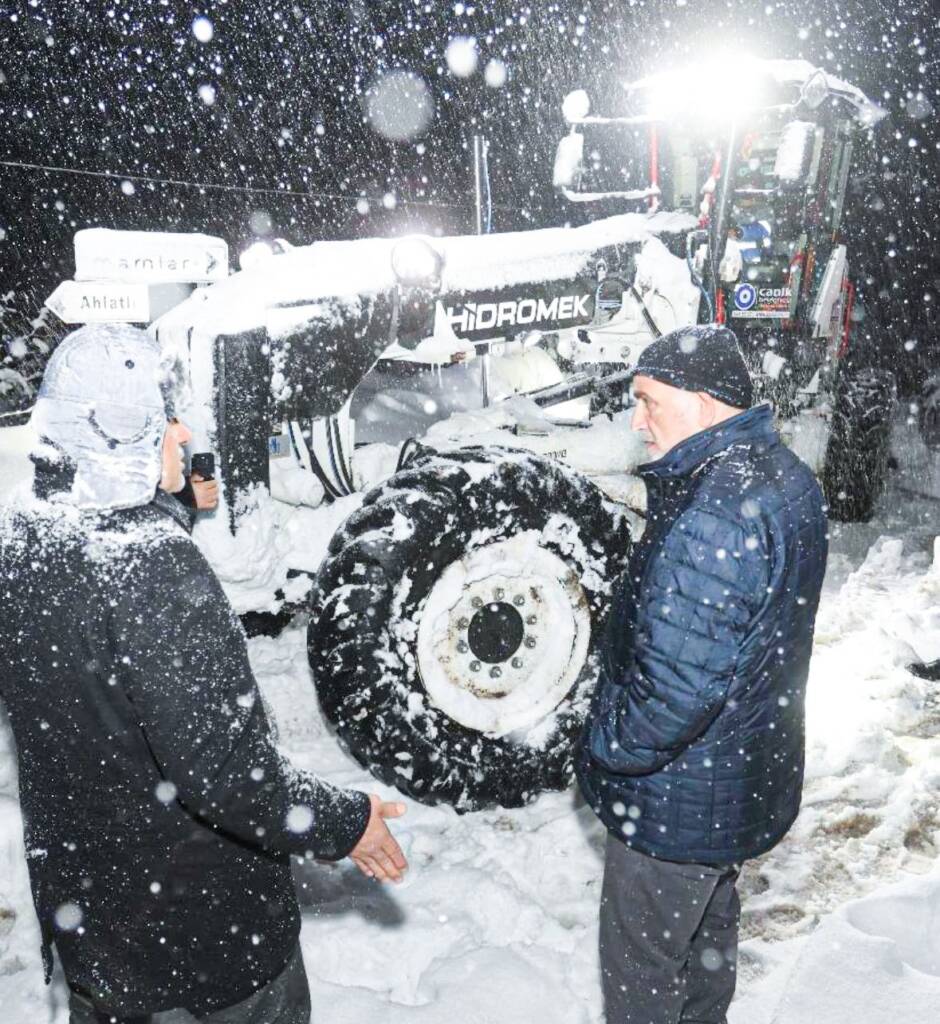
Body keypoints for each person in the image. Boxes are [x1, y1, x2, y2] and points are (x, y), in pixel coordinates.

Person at [0, 323, 408, 1024]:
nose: (183, 431)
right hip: (203, 942)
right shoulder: (152, 570)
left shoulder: (23, 535)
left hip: (97, 930)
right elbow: (225, 773)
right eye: (163, 417)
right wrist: (349, 822)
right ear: (125, 432)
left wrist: (168, 502)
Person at [577, 324, 828, 1024]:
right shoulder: (786, 477)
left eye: (649, 400)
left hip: (675, 805)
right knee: (707, 940)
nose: (636, 420)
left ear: (705, 401)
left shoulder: (714, 515)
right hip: (736, 781)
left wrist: (603, 742)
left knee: (642, 972)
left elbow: (675, 695)